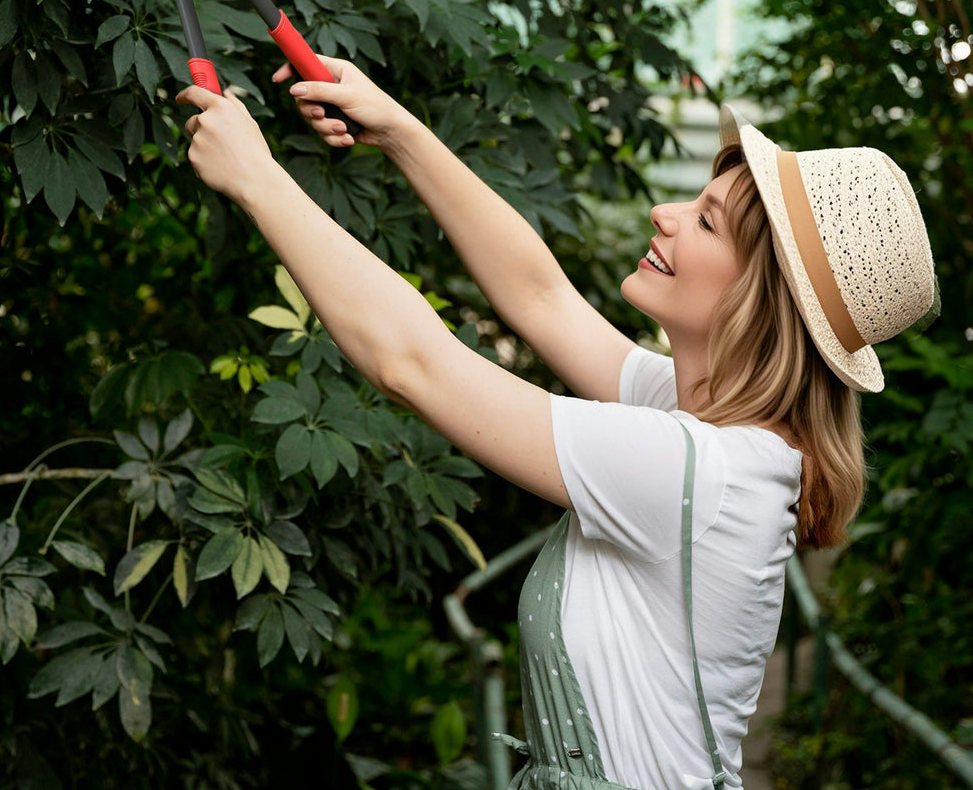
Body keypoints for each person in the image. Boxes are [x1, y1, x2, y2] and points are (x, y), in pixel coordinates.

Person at [176, 62, 936, 790]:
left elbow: (412, 362)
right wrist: (399, 129)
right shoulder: (695, 422)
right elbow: (541, 297)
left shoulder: (697, 471)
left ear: (757, 302)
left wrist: (257, 178)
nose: (665, 214)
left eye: (706, 221)